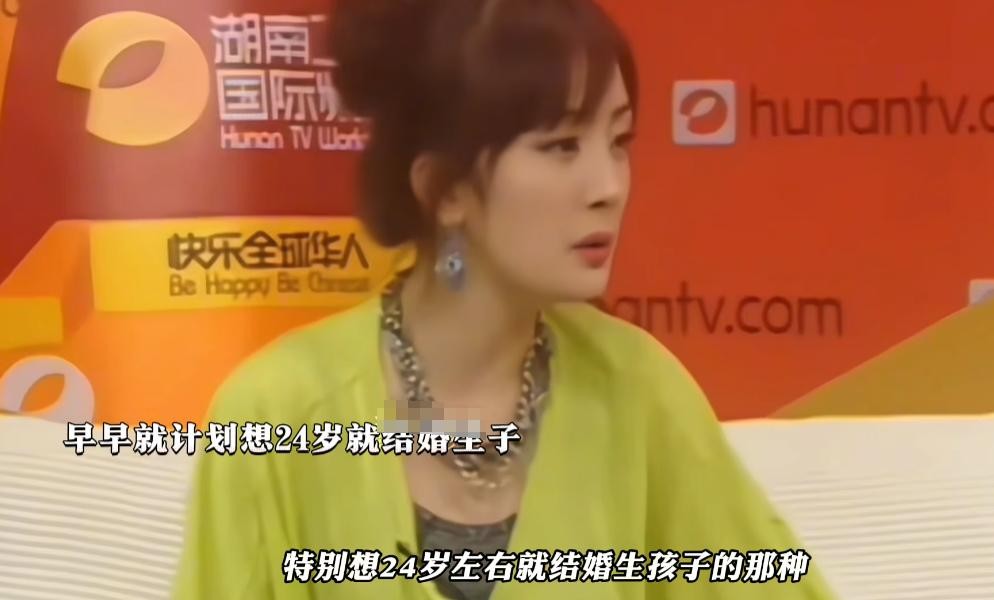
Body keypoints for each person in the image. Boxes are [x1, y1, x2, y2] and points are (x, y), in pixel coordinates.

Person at [172, 0, 838, 599]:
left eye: (618, 142)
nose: (609, 186)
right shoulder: (276, 415)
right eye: (562, 146)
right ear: (443, 190)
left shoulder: (639, 392)